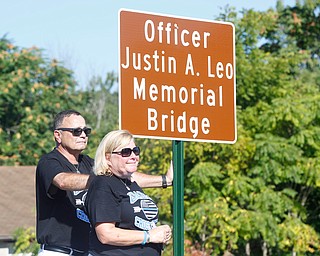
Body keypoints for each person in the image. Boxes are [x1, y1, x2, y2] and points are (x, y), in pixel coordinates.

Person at [36, 110, 173, 256]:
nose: (83, 135)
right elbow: (63, 181)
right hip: (59, 251)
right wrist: (103, 180)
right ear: (58, 135)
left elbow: (125, 176)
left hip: (87, 251)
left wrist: (165, 180)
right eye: (76, 131)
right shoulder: (49, 161)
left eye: (85, 131)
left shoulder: (87, 162)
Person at [85, 130, 172, 256]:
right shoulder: (103, 184)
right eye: (125, 152)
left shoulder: (130, 183)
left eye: (135, 151)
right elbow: (106, 234)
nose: (133, 156)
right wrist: (149, 236)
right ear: (108, 157)